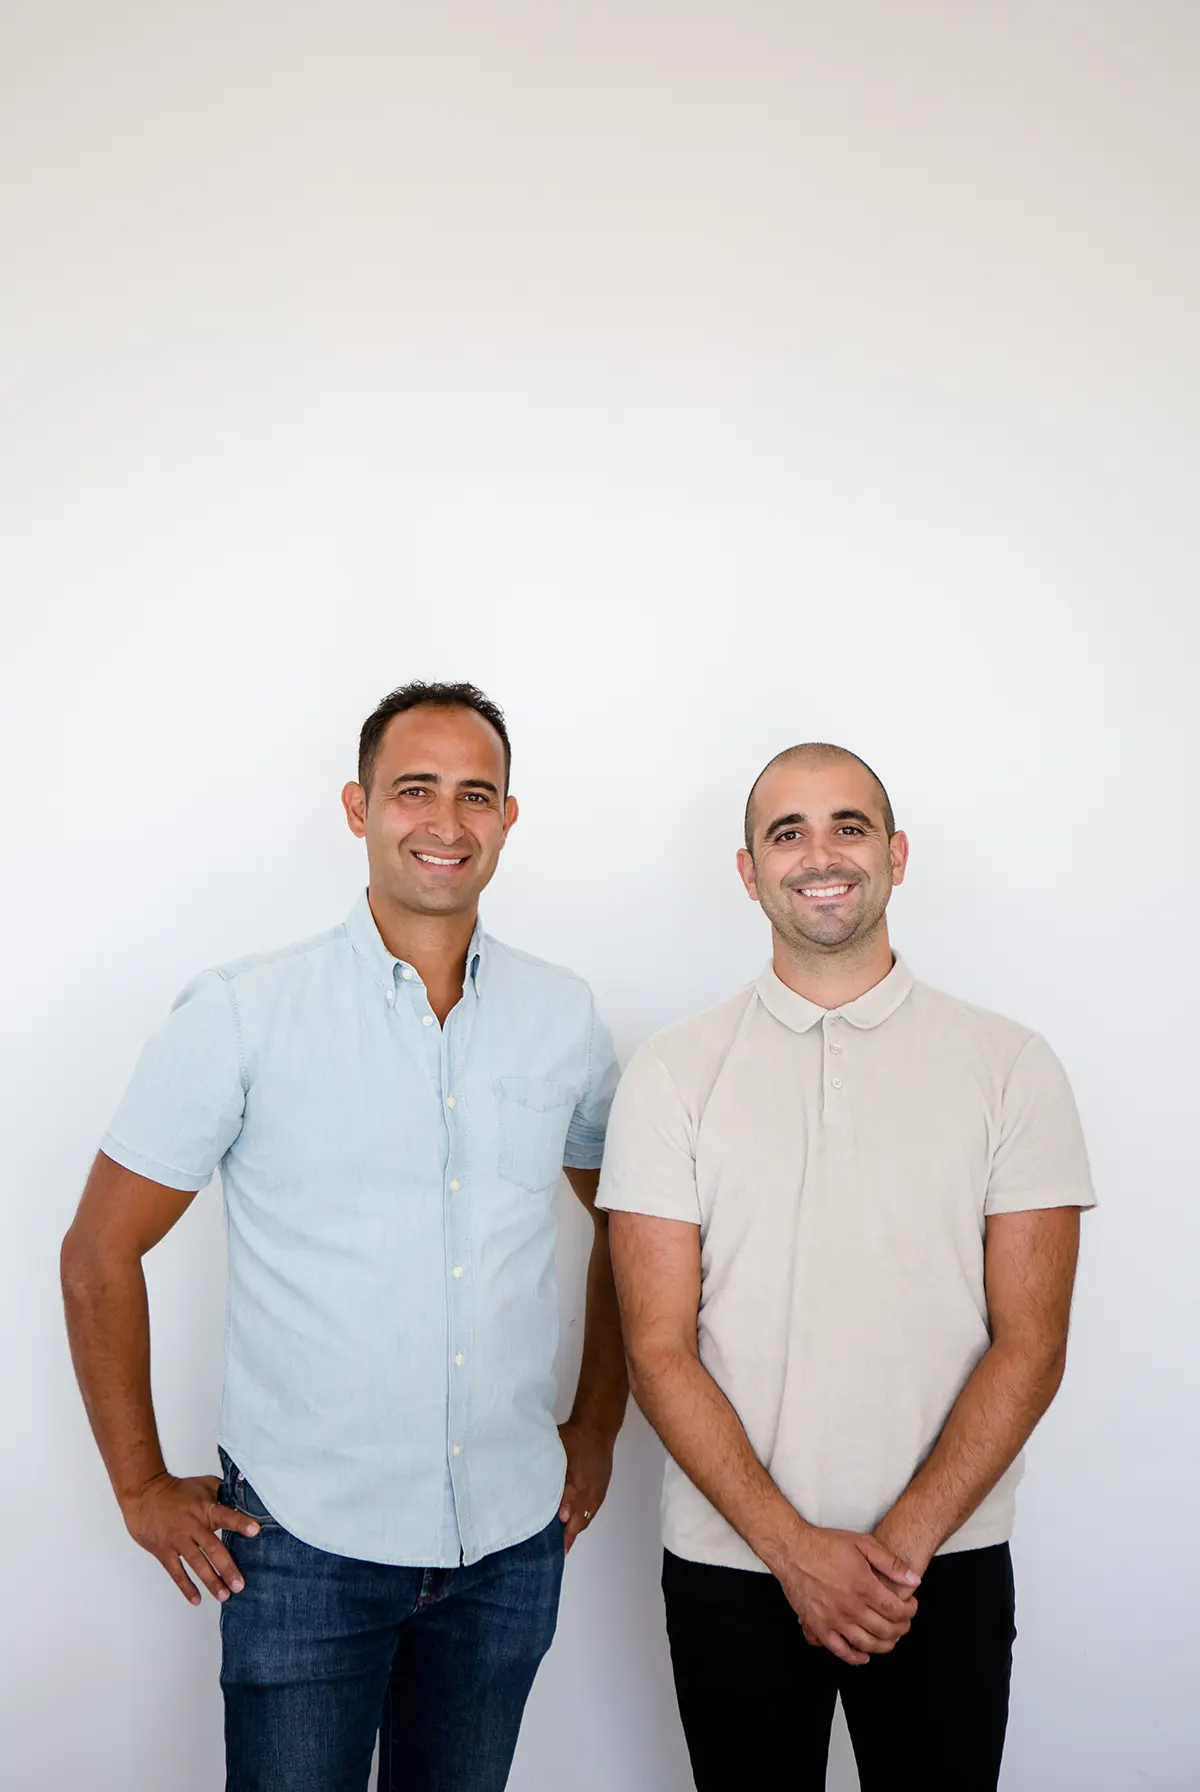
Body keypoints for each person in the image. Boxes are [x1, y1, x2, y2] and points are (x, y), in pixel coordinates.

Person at [61, 680, 627, 1792]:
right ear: (357, 807)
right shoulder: (242, 1012)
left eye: (477, 794)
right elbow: (98, 1251)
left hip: (510, 1549)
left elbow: (630, 1231)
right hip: (304, 1549)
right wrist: (139, 1486)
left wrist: (597, 1426)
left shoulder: (564, 1016)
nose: (446, 823)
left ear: (510, 817)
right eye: (415, 790)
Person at [598, 742, 1094, 1792]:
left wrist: (893, 1555)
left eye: (848, 826)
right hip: (733, 1566)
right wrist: (794, 1553)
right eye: (787, 832)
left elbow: (1033, 1344)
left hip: (942, 1569)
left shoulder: (1012, 1066)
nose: (820, 854)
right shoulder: (672, 1073)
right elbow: (655, 1347)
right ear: (748, 871)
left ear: (896, 855)